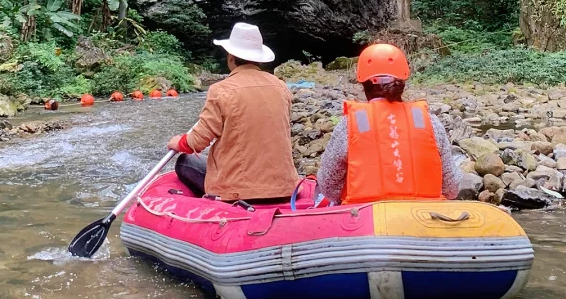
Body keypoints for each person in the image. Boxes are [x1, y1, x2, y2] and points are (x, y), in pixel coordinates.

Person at [167, 22, 299, 204]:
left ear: (231, 57)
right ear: (259, 58)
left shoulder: (220, 91)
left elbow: (196, 142)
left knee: (184, 162)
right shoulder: (282, 87)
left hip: (238, 192)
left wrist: (178, 142)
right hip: (284, 188)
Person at [316, 41, 459, 204]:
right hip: (423, 218)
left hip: (365, 219)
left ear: (364, 84)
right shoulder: (430, 122)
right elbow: (452, 188)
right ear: (402, 82)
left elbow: (328, 186)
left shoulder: (349, 125)